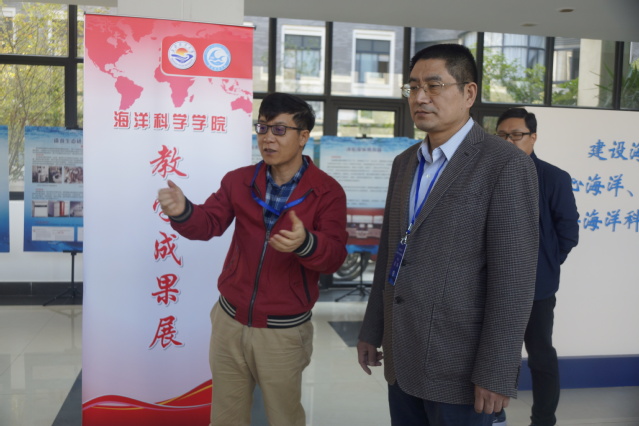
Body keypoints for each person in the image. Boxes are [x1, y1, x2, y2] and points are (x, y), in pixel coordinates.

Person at [356, 43, 540, 426]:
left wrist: (496, 371)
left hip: (460, 365)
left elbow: (514, 281)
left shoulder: (504, 165)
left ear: (469, 93)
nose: (420, 97)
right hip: (402, 354)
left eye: (434, 85)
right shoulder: (404, 163)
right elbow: (390, 252)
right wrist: (373, 329)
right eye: (413, 87)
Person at [157, 92, 348, 426]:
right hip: (229, 322)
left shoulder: (327, 192)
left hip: (282, 332)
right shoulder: (239, 181)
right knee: (225, 418)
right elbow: (209, 223)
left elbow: (333, 256)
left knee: (284, 418)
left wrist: (306, 243)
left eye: (279, 130)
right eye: (262, 128)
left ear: (303, 136)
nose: (268, 138)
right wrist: (183, 211)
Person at [493, 107, 579, 426]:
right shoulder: (487, 175)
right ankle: (494, 413)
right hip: (492, 285)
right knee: (495, 353)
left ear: (533, 137)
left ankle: (543, 419)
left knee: (540, 355)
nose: (509, 141)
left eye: (516, 135)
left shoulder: (553, 178)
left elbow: (568, 232)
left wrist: (545, 264)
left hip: (536, 289)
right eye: (502, 136)